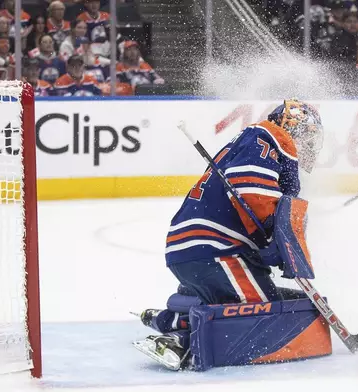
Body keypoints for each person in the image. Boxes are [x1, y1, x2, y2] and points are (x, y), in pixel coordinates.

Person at [134, 100, 326, 370]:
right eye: (307, 134)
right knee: (263, 312)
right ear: (292, 126)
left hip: (194, 248)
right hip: (216, 250)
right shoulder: (269, 138)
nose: (309, 143)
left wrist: (271, 242)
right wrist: (275, 233)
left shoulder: (251, 142)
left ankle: (173, 317)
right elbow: (250, 187)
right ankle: (179, 339)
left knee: (250, 300)